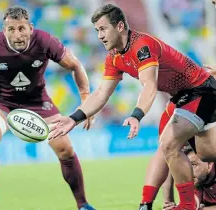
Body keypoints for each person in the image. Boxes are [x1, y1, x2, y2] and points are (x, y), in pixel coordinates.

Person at [48, 4, 216, 210]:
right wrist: (73, 118)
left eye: (103, 29)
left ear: (119, 26)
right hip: (181, 97)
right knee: (202, 152)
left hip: (201, 90)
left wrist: (137, 115)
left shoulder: (142, 45)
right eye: (96, 31)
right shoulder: (114, 57)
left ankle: (186, 206)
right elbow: (101, 93)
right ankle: (165, 204)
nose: (99, 36)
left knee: (169, 142)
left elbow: (150, 85)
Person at [0, 6, 95, 210]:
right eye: (11, 29)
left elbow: (75, 65)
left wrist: (85, 102)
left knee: (65, 148)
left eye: (21, 28)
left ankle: (83, 205)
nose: (17, 35)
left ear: (30, 28)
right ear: (4, 30)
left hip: (37, 101)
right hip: (0, 100)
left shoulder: (45, 41)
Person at [163, 144, 216, 210]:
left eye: (193, 165)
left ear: (210, 164)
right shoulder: (196, 181)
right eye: (186, 167)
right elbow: (193, 203)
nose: (189, 172)